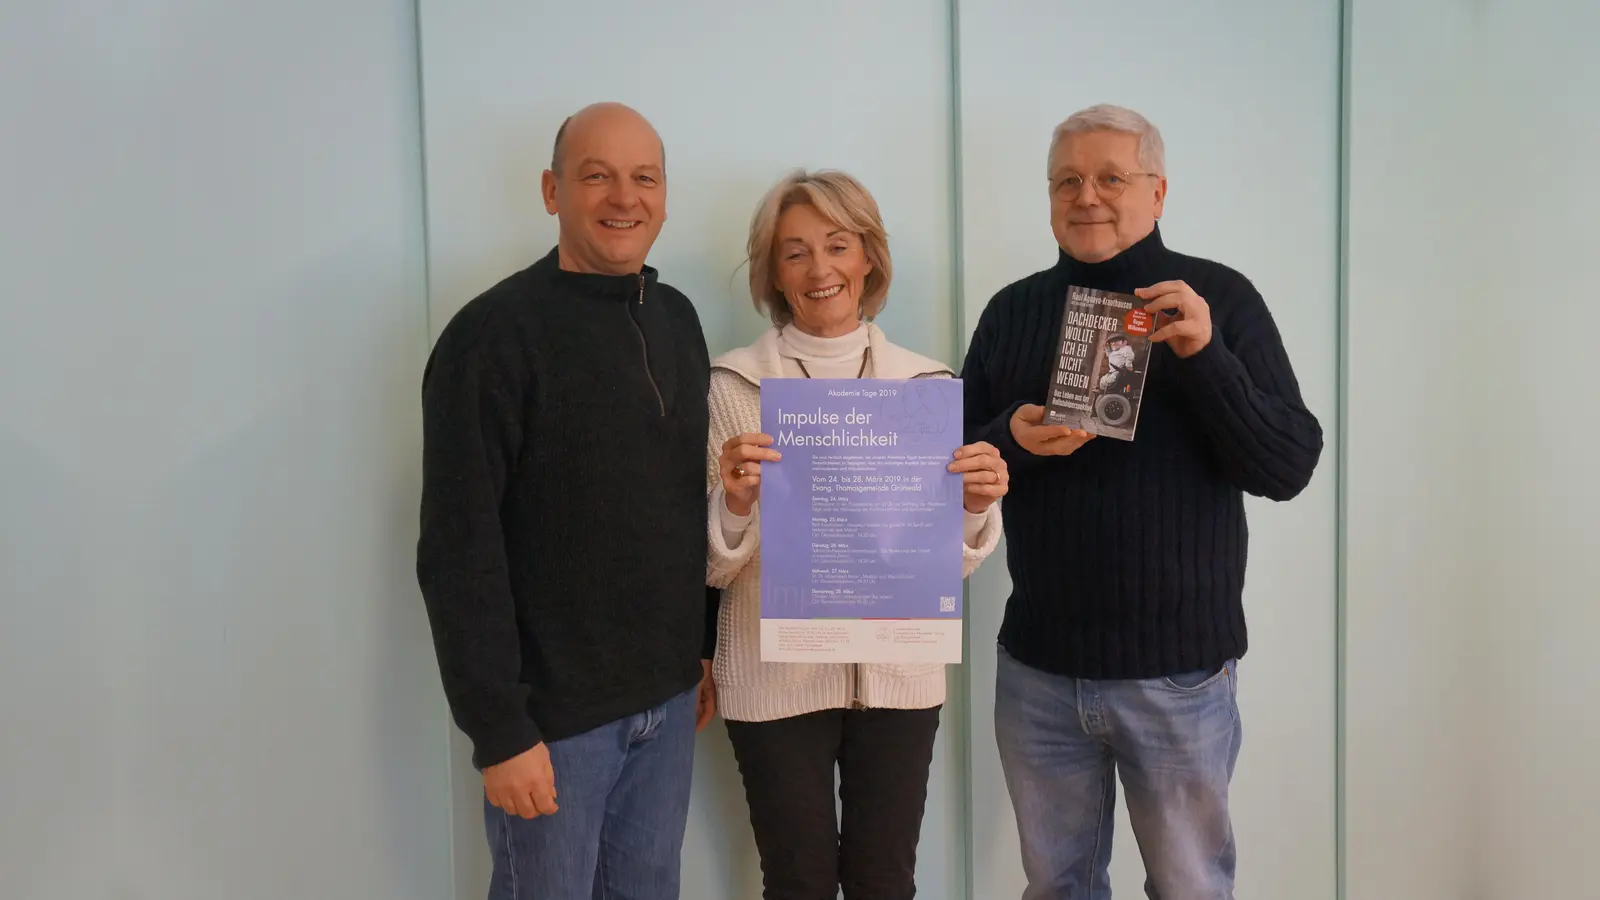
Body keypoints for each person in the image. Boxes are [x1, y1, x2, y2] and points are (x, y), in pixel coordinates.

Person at [960, 104, 1324, 899]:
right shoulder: (1011, 310)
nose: (1086, 195)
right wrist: (1013, 437)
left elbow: (1289, 463)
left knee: (1191, 887)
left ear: (1157, 193)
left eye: (1110, 178)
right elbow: (949, 459)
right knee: (1056, 887)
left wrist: (1203, 356)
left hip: (1179, 676)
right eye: (1067, 180)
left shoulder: (1220, 300)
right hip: (1039, 672)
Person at [416, 102, 717, 900]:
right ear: (553, 191)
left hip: (667, 705)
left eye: (643, 178)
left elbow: (683, 505)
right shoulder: (491, 337)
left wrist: (700, 648)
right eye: (597, 176)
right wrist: (499, 732)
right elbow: (457, 548)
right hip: (555, 727)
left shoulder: (679, 320)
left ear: (664, 193)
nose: (625, 197)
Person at [707, 168, 1007, 900]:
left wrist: (973, 505)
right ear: (773, 272)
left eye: (837, 246)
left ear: (868, 257)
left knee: (884, 881)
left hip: (899, 682)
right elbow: (712, 568)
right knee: (798, 881)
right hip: (772, 682)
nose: (820, 270)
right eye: (795, 252)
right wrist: (736, 501)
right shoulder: (730, 386)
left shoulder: (927, 388)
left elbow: (947, 566)